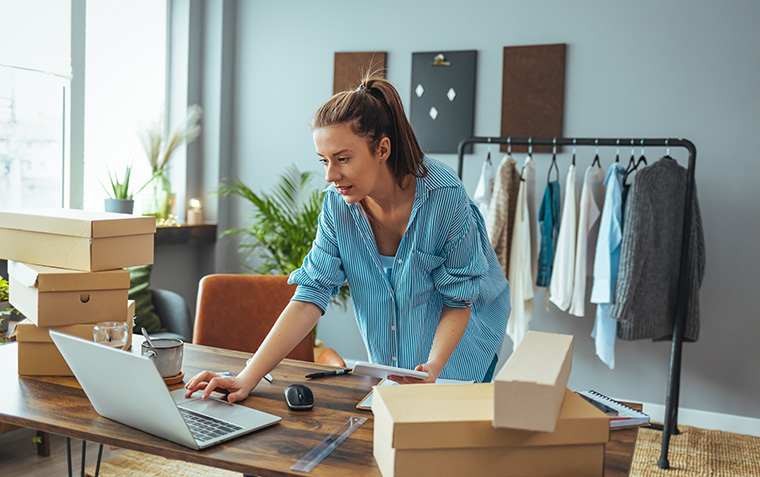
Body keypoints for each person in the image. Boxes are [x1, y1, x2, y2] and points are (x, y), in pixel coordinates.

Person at [186, 76, 510, 403]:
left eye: (342, 159)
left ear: (382, 149)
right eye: (323, 161)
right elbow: (311, 293)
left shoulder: (444, 196)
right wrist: (246, 377)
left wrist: (433, 369)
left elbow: (458, 301)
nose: (330, 175)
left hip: (461, 350)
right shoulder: (337, 206)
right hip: (398, 366)